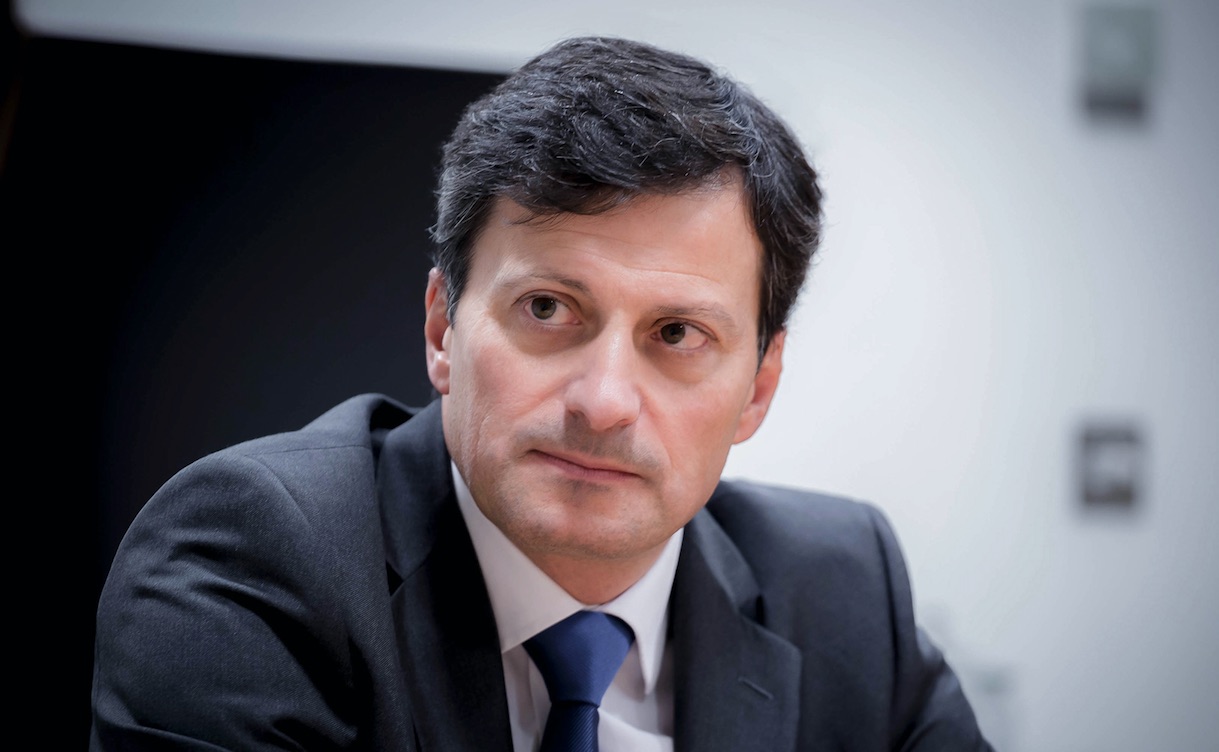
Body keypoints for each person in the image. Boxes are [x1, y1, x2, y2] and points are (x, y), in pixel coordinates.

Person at [91, 36, 994, 751]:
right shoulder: (253, 558)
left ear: (757, 388)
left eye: (677, 334)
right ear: (443, 328)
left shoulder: (842, 590)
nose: (602, 402)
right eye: (548, 308)